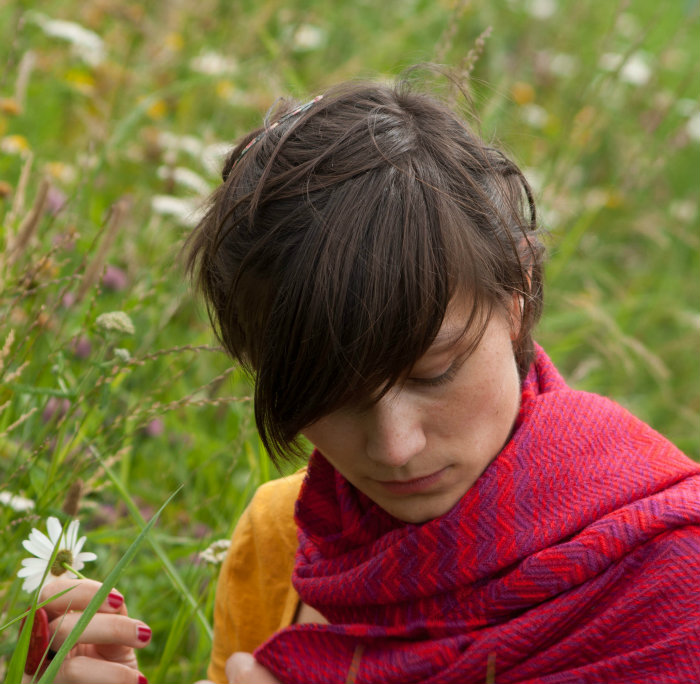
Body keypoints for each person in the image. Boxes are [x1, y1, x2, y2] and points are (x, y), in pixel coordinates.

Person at [28, 75, 700, 684]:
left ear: (517, 296)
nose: (395, 446)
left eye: (433, 372)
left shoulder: (669, 572)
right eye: (330, 395)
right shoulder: (282, 540)